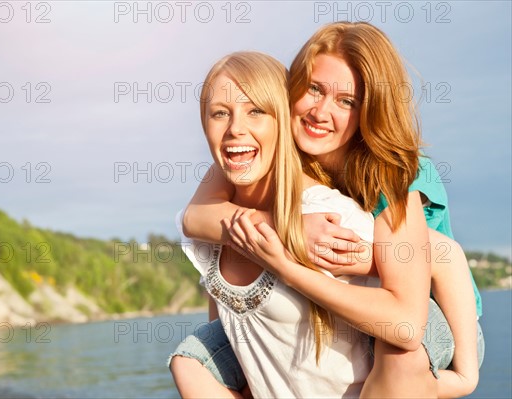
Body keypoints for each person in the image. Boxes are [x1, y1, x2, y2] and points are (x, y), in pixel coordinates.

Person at [171, 22, 483, 398]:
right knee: (190, 358)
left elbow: (443, 259)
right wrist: (290, 230)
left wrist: (466, 374)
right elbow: (196, 218)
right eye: (313, 90)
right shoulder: (265, 146)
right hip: (356, 296)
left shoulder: (391, 175)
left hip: (436, 309)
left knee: (399, 352)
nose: (320, 111)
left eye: (346, 101)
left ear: (368, 110)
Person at [171, 50, 383, 398]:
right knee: (187, 361)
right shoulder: (215, 228)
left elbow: (409, 314)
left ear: (283, 120)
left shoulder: (328, 215)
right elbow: (241, 358)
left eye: (256, 111)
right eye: (219, 113)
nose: (235, 128)